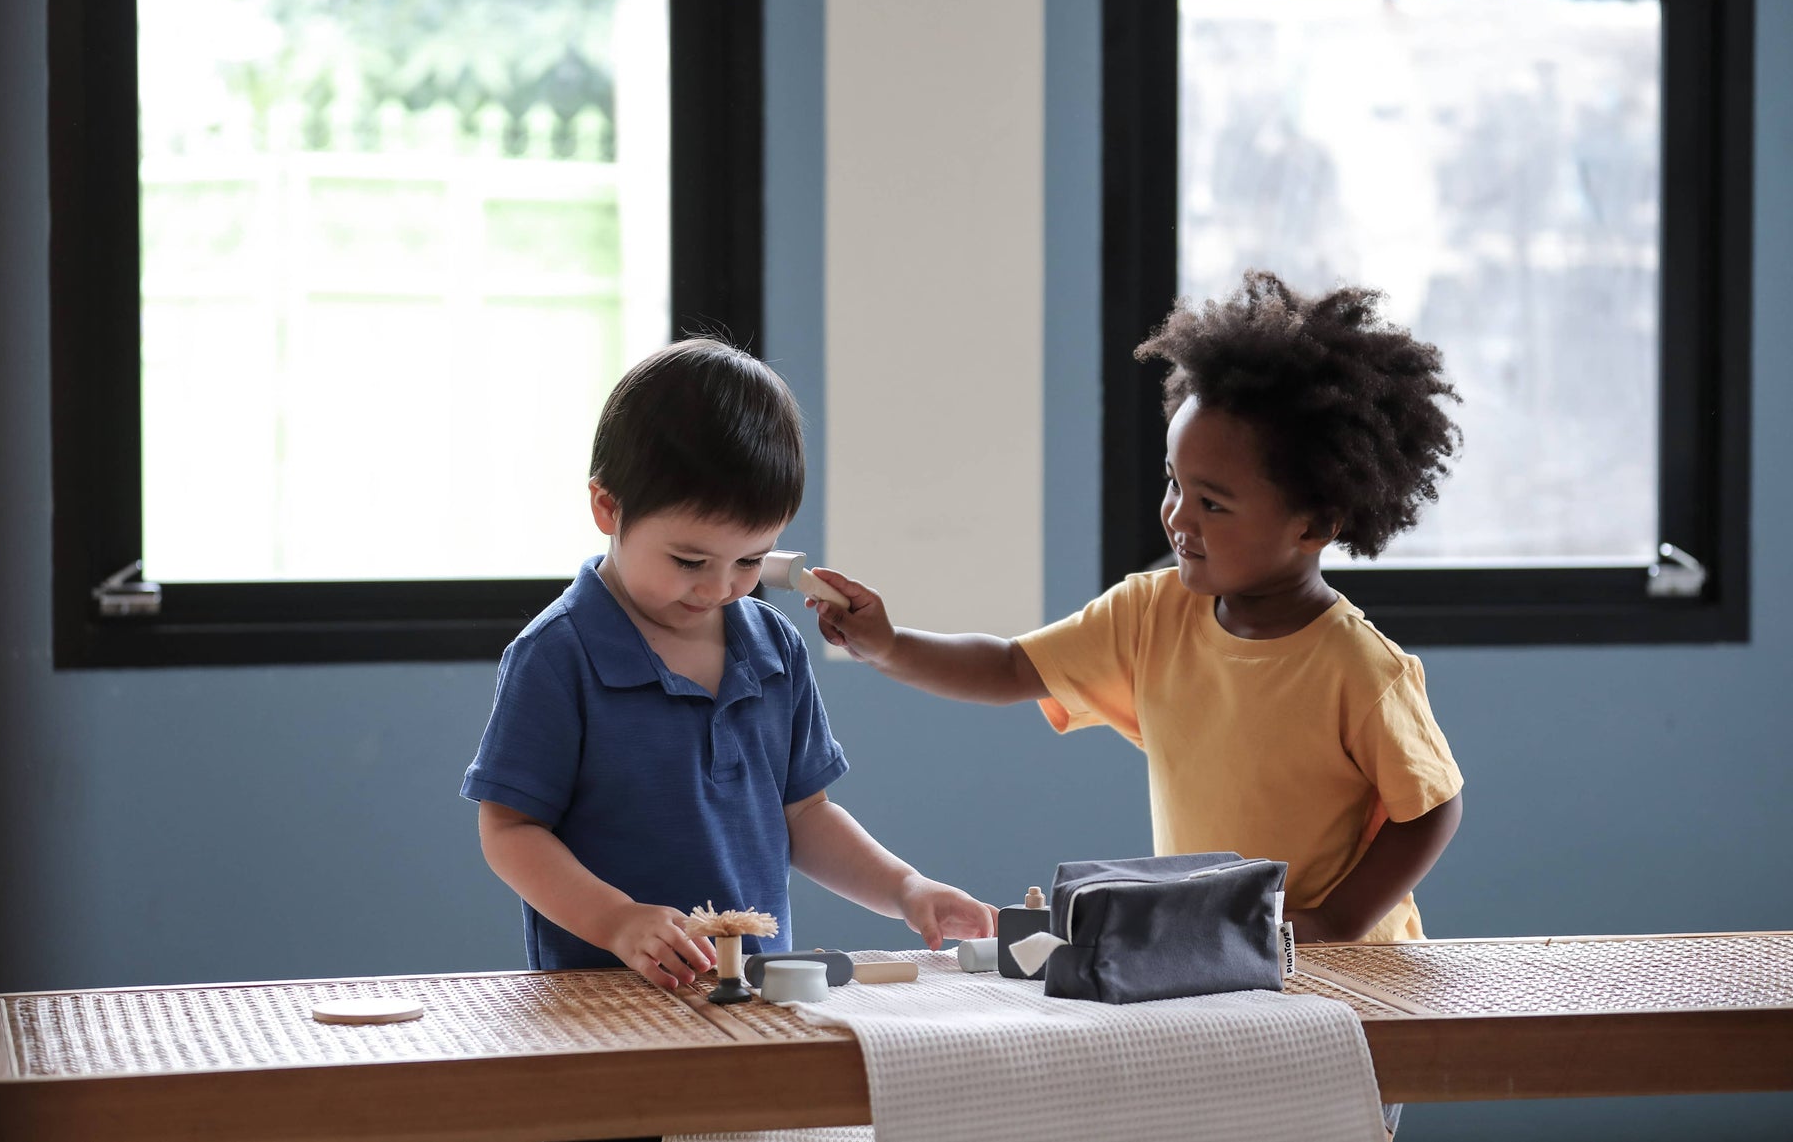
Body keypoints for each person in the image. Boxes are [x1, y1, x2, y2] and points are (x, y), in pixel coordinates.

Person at [811, 271, 1466, 949]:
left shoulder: (1358, 667)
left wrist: (1335, 921)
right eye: (1172, 482)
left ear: (1315, 524)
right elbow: (1009, 666)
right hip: (1217, 944)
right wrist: (888, 644)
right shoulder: (1150, 613)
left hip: (1350, 967)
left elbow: (1433, 806)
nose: (1178, 517)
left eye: (1212, 503)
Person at [462, 337, 996, 991]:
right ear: (607, 507)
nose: (718, 587)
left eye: (749, 561)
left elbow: (805, 815)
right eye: (690, 561)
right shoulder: (557, 656)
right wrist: (619, 920)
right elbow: (510, 829)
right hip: (604, 1001)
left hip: (753, 996)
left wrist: (904, 887)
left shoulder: (774, 649)